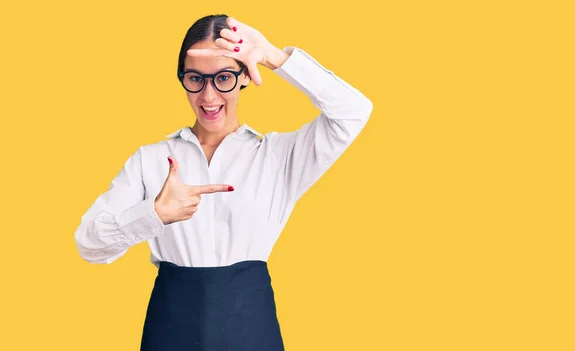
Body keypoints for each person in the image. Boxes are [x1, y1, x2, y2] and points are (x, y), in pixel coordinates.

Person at [75, 14, 373, 351]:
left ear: (245, 75)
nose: (209, 94)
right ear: (182, 79)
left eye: (224, 77)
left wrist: (275, 57)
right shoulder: (150, 160)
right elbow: (89, 244)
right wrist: (154, 214)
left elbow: (353, 111)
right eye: (196, 78)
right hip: (170, 329)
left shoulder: (278, 156)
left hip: (251, 327)